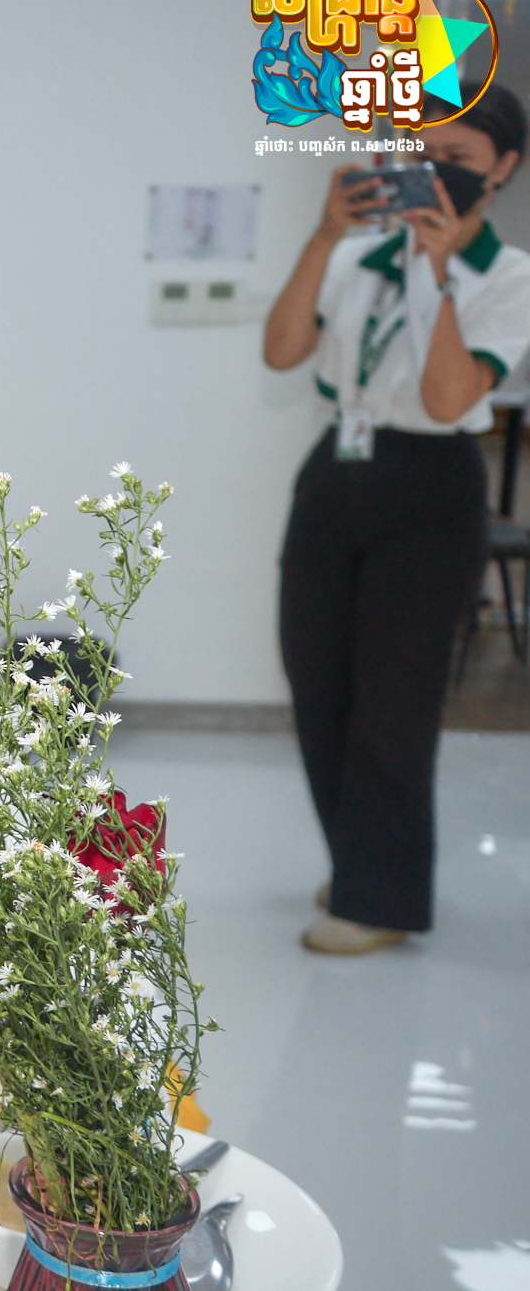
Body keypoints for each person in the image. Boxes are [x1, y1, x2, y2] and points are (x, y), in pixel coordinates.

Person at [262, 84, 530, 954]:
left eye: (458, 159)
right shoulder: (356, 256)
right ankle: (359, 861)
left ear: (503, 169)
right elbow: (281, 350)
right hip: (337, 467)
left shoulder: (510, 276)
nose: (433, 172)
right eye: (422, 153)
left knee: (395, 702)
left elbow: (451, 398)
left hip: (430, 486)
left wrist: (440, 273)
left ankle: (379, 900)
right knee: (318, 681)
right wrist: (324, 235)